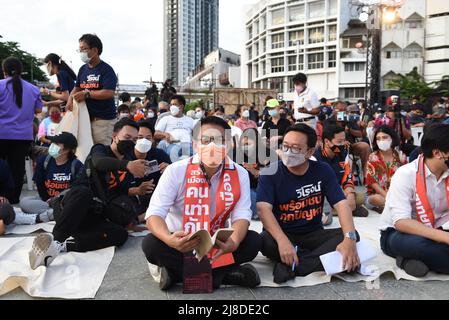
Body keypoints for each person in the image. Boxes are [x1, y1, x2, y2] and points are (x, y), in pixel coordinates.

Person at [142, 116, 262, 291]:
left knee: (253, 241)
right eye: (205, 140)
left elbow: (242, 214)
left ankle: (177, 274)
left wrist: (234, 242)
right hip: (181, 241)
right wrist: (170, 239)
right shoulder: (175, 171)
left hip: (217, 243)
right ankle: (223, 274)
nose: (212, 146)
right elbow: (154, 214)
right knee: (151, 245)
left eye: (220, 140)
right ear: (195, 144)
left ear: (229, 144)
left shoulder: (240, 173)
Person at [28, 118, 147, 270]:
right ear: (115, 136)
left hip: (93, 214)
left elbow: (117, 192)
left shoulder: (131, 162)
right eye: (127, 137)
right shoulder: (101, 150)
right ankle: (55, 241)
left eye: (135, 139)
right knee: (83, 193)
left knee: (120, 234)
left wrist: (137, 191)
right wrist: (127, 165)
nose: (131, 142)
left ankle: (63, 246)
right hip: (71, 206)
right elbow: (98, 162)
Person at [257, 124, 360, 284]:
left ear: (310, 152)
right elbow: (263, 210)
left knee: (351, 235)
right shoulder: (270, 172)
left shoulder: (322, 170)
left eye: (296, 148)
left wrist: (349, 239)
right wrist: (282, 241)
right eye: (285, 146)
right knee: (263, 240)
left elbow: (341, 204)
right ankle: (316, 259)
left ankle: (297, 265)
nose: (288, 152)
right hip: (282, 234)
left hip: (313, 234)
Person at [380, 123, 449, 277]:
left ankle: (410, 260)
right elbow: (401, 222)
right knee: (421, 246)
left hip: (436, 229)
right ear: (438, 153)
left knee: (433, 247)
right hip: (398, 234)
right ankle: (412, 258)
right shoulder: (406, 174)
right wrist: (444, 237)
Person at [0, 56, 43, 204]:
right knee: (17, 169)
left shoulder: (0, 85)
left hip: (1, 134)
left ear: (4, 71)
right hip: (23, 136)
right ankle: (13, 199)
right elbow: (38, 110)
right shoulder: (33, 89)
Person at [17, 132, 83, 225]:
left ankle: (49, 215)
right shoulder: (44, 161)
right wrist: (47, 200)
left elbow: (77, 190)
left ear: (67, 149)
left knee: (75, 206)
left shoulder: (76, 165)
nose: (52, 146)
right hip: (47, 202)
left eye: (56, 144)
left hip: (66, 202)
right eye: (52, 143)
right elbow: (40, 184)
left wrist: (59, 202)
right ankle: (55, 214)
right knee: (24, 202)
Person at [66, 34, 118, 146]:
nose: (81, 53)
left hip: (102, 121)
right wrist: (69, 100)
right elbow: (76, 88)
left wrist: (87, 94)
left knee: (101, 152)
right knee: (85, 153)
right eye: (79, 50)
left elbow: (109, 92)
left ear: (94, 50)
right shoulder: (82, 69)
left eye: (84, 49)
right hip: (85, 120)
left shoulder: (106, 70)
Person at [314, 125, 369, 223]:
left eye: (344, 141)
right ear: (327, 142)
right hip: (323, 193)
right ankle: (341, 209)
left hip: (339, 191)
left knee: (362, 197)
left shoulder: (342, 152)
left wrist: (350, 193)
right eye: (339, 142)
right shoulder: (315, 156)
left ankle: (340, 209)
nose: (343, 144)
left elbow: (347, 175)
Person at [129, 121, 171, 220]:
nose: (143, 141)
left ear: (152, 140)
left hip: (157, 197)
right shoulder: (125, 156)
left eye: (148, 138)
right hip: (134, 197)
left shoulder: (160, 154)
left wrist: (169, 169)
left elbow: (175, 178)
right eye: (139, 137)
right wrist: (138, 190)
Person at [236, 128, 276, 220]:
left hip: (265, 189)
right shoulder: (239, 155)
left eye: (248, 144)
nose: (245, 147)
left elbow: (275, 179)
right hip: (250, 190)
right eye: (243, 144)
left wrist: (256, 172)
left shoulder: (269, 153)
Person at [365, 126, 407, 214]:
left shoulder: (400, 156)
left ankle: (390, 207)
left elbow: (407, 178)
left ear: (392, 138)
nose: (381, 141)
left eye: (385, 137)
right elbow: (372, 183)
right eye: (378, 138)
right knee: (378, 199)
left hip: (398, 194)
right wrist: (388, 196)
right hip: (379, 195)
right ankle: (391, 206)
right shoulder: (373, 157)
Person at [154, 95, 194, 162]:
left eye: (174, 104)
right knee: (162, 144)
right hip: (170, 145)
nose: (172, 107)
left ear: (181, 106)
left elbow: (198, 136)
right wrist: (165, 135)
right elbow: (155, 134)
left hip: (186, 146)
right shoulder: (165, 119)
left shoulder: (190, 120)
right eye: (171, 104)